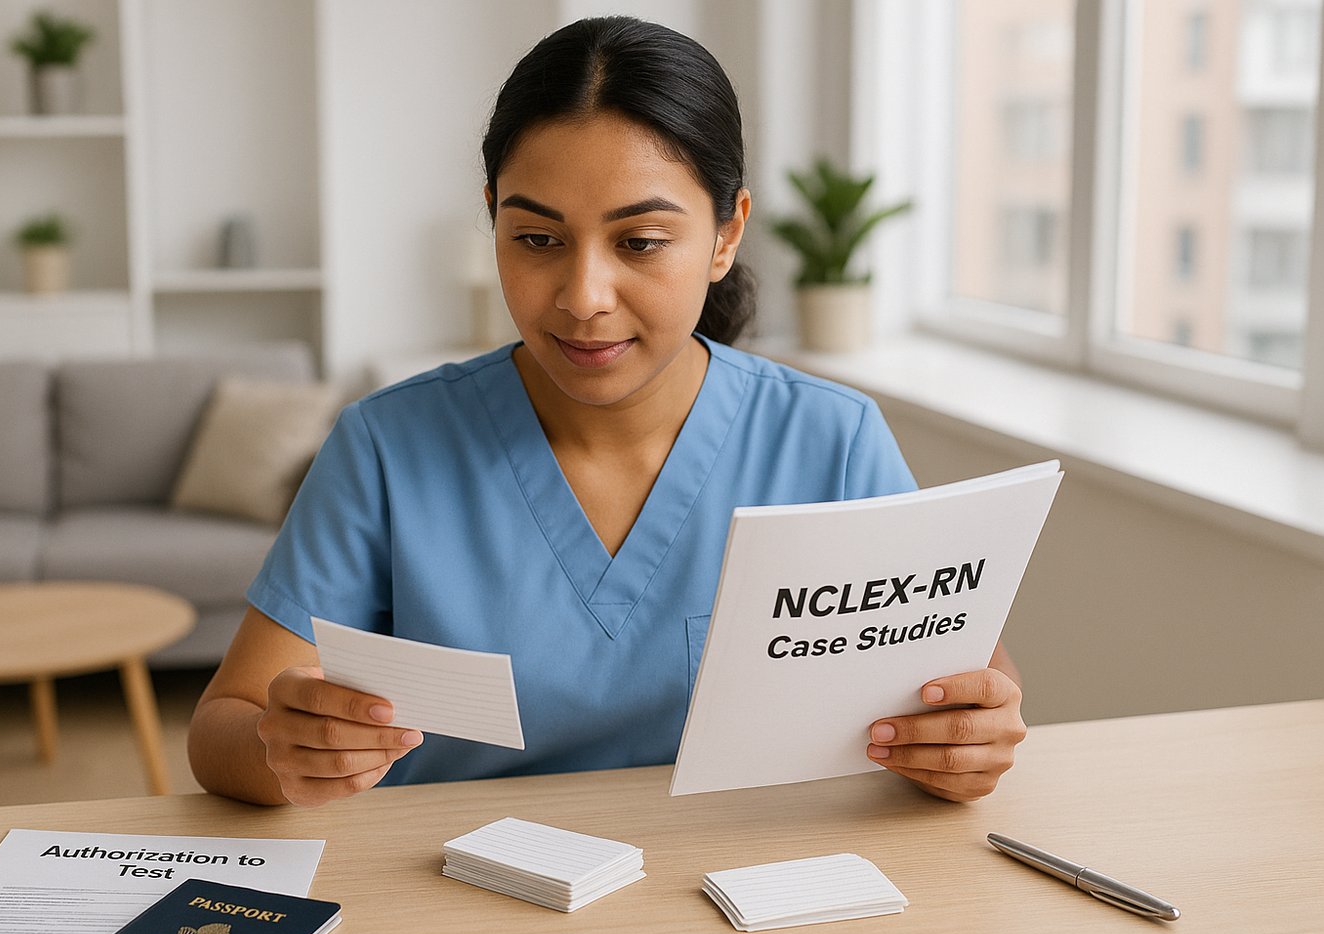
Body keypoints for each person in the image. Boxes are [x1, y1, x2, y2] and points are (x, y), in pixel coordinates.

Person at [188, 16, 1026, 808]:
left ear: (726, 235)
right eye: (537, 239)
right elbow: (223, 727)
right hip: (450, 892)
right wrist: (284, 747)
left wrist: (966, 740)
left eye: (640, 242)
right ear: (493, 218)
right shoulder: (386, 448)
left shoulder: (831, 443)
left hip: (734, 887)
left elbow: (965, 687)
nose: (583, 297)